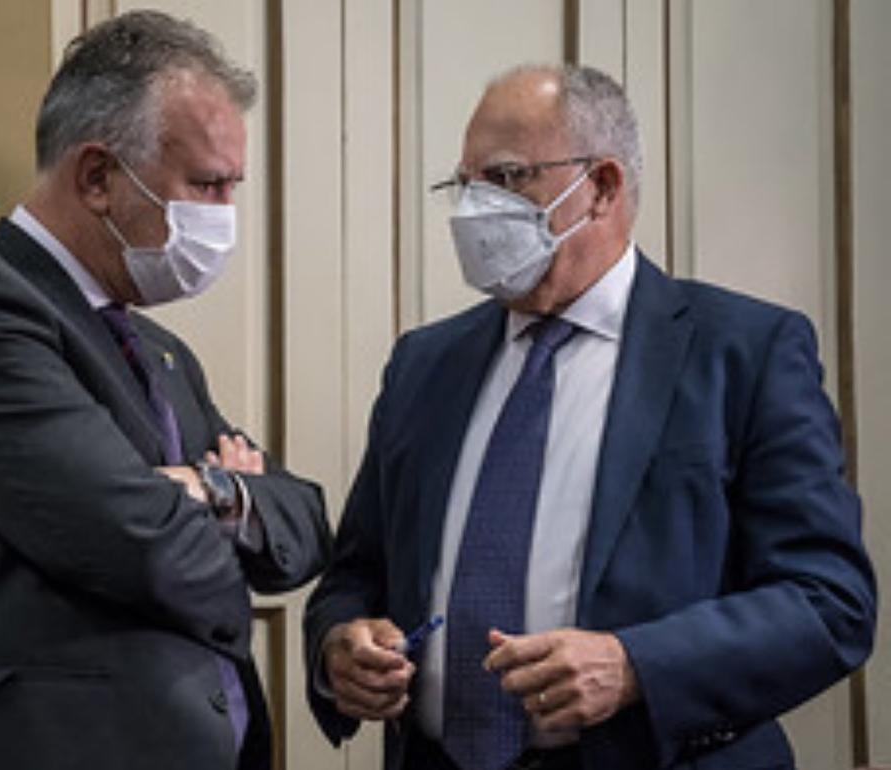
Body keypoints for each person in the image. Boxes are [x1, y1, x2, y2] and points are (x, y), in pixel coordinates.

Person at [304, 63, 877, 770]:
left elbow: (828, 604)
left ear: (601, 187)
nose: (474, 210)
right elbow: (357, 571)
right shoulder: (425, 363)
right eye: (464, 184)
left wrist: (636, 664)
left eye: (507, 178)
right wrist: (340, 646)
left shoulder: (745, 352)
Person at [0, 10, 332, 770]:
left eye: (231, 187)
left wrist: (210, 491)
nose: (224, 218)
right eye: (206, 185)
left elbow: (304, 524)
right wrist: (226, 510)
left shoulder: (160, 350)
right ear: (96, 177)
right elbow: (142, 546)